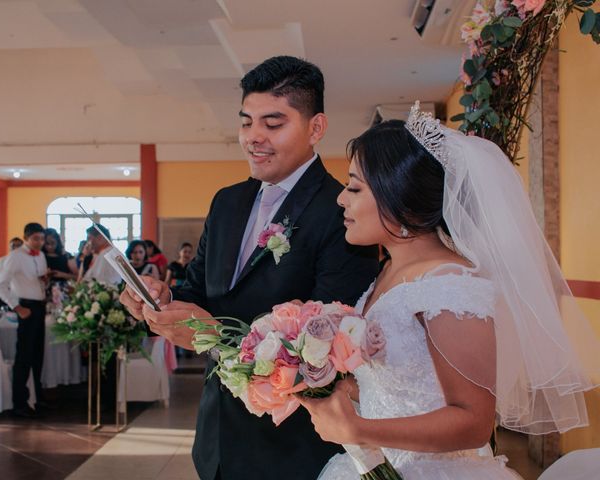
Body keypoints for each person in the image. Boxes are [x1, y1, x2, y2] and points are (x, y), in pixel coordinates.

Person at [298, 104, 600, 479]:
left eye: (355, 187)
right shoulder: (389, 271)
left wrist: (360, 430)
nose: (342, 199)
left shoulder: (449, 286)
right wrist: (344, 389)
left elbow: (473, 421)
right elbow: (409, 387)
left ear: (400, 198)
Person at [120, 56, 379, 480]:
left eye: (273, 124)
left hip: (293, 444)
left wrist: (213, 334)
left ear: (316, 128)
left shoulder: (341, 211)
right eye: (246, 122)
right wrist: (163, 299)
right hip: (217, 435)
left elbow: (330, 346)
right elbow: (197, 291)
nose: (253, 138)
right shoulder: (227, 202)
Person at [0, 222, 48, 418]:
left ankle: (38, 398)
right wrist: (16, 307)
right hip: (26, 306)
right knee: (24, 356)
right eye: (36, 239)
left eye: (42, 239)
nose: (40, 243)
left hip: (40, 306)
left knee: (38, 355)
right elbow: (0, 285)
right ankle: (19, 402)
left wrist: (44, 281)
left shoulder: (41, 255)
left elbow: (37, 279)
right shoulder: (15, 257)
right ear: (26, 238)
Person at [0, 236, 23, 317]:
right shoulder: (2, 261)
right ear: (9, 248)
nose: (16, 248)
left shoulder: (26, 261)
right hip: (4, 295)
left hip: (21, 295)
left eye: (19, 246)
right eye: (14, 245)